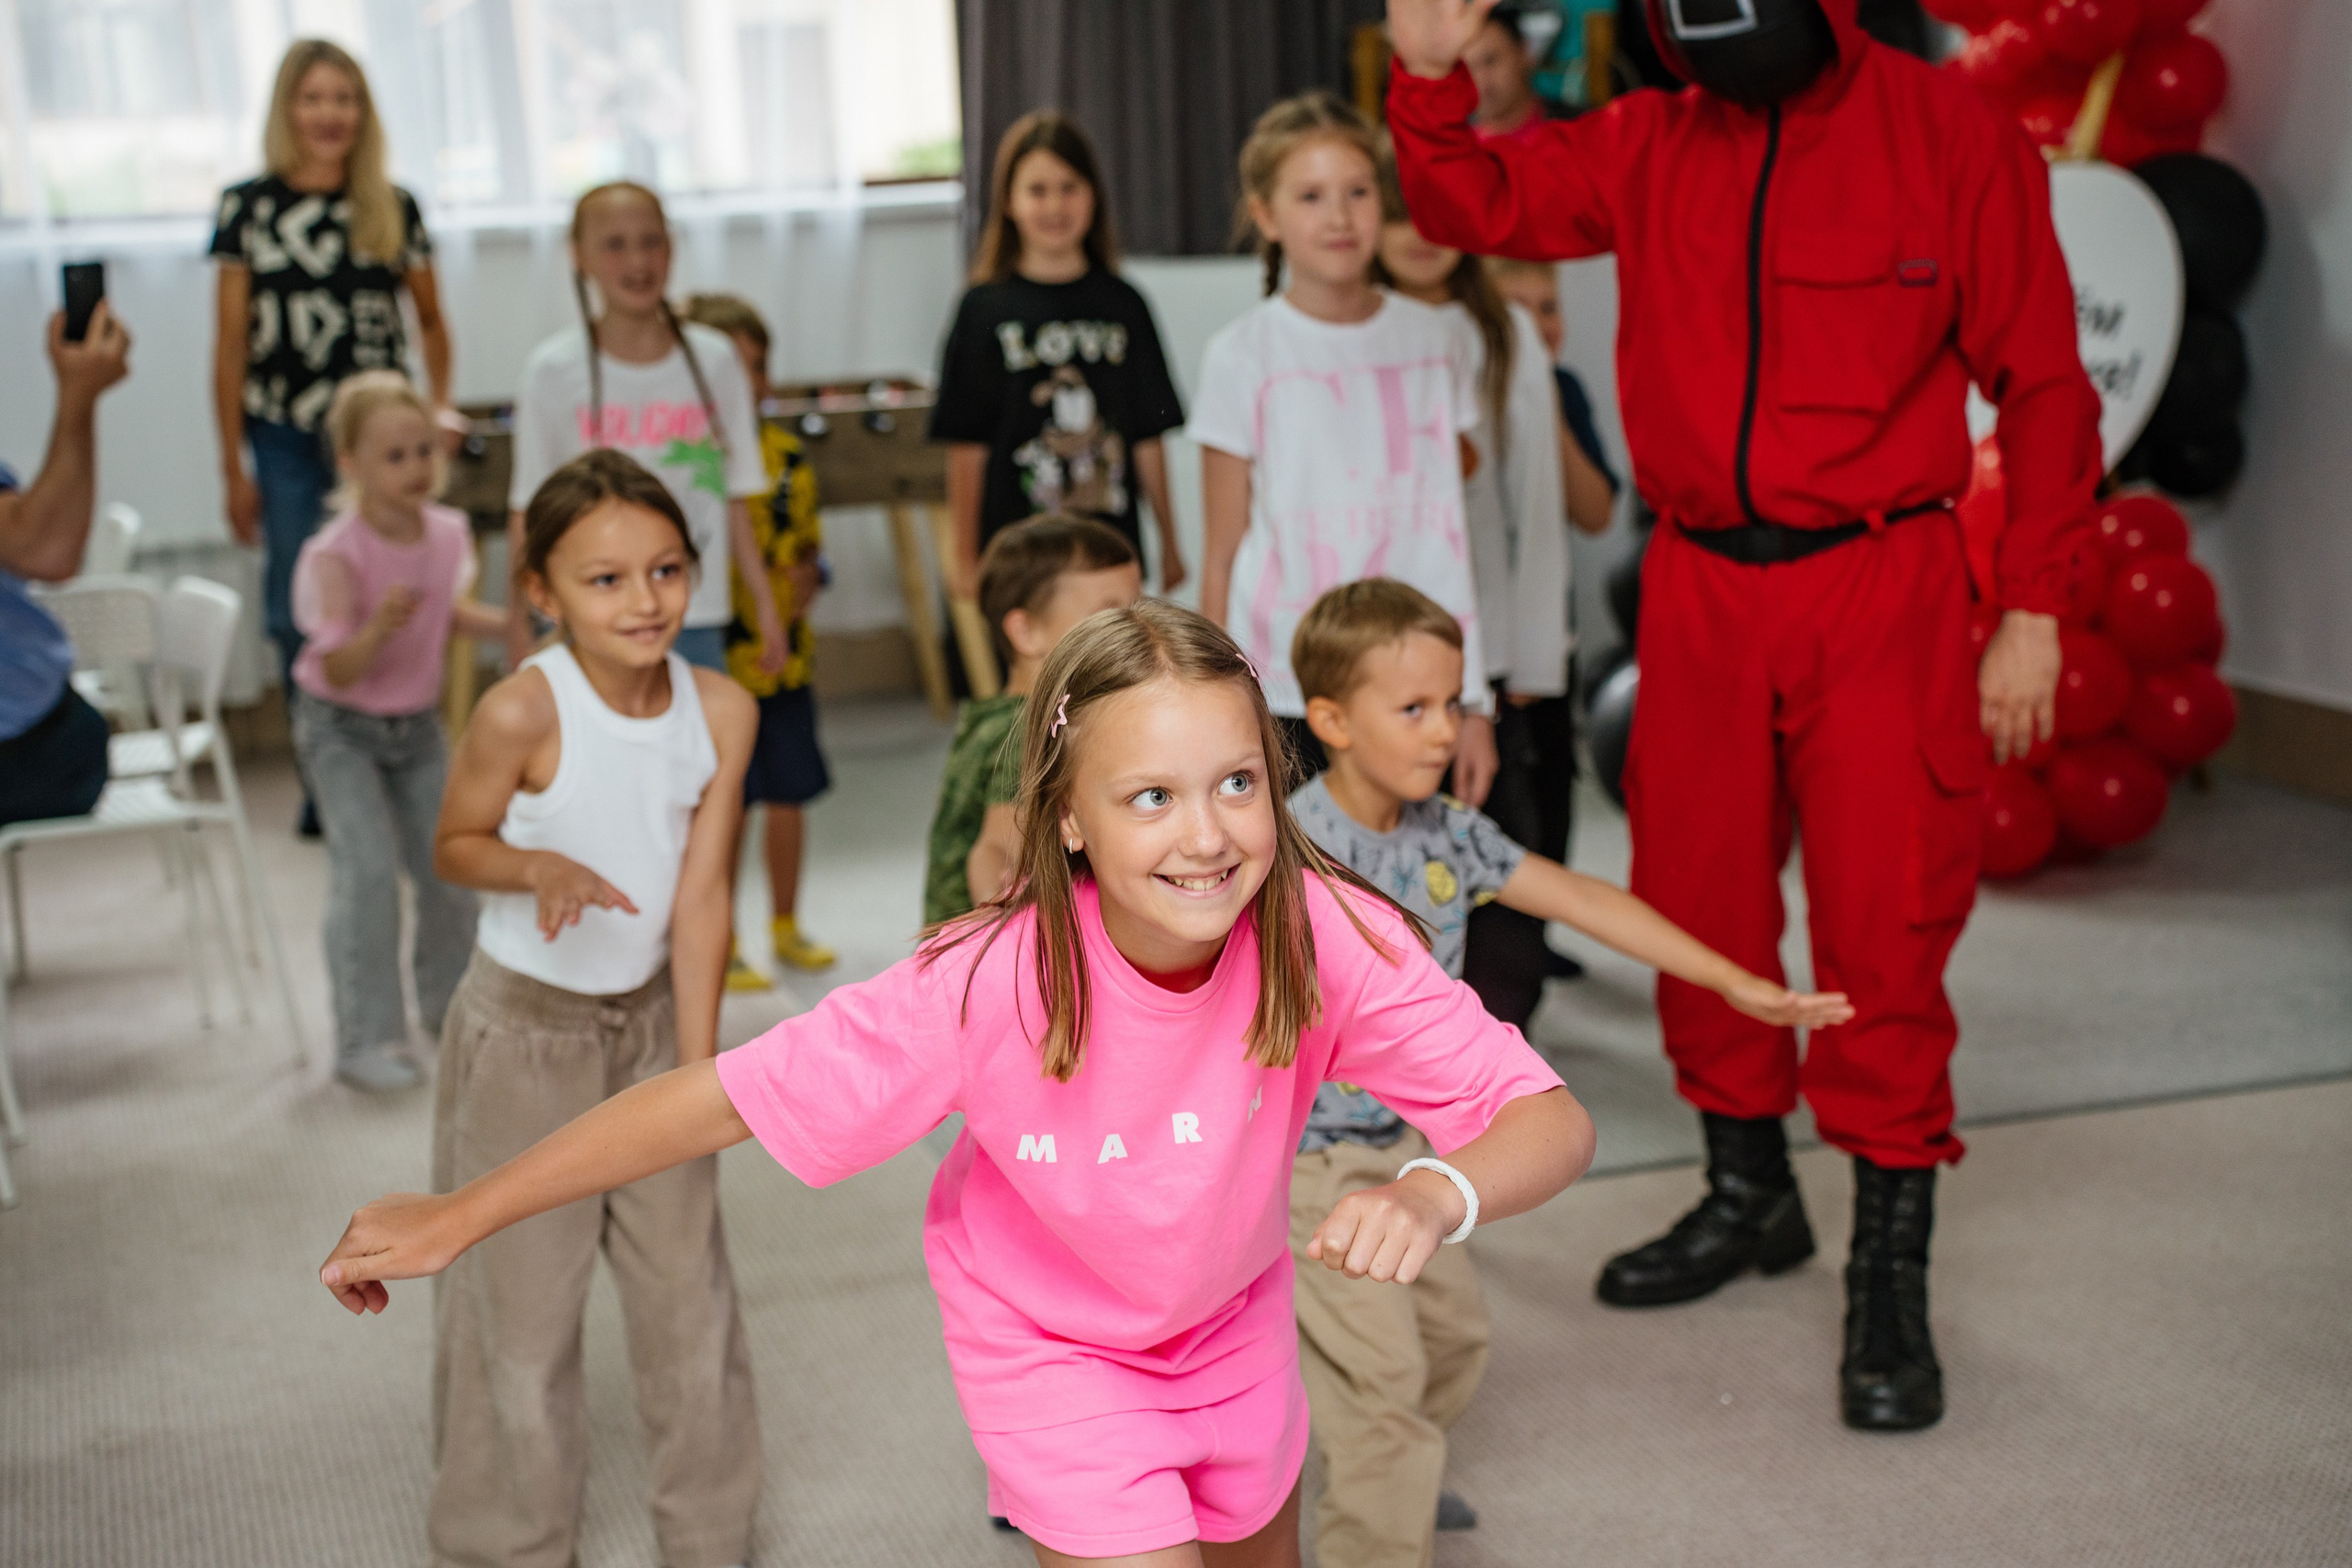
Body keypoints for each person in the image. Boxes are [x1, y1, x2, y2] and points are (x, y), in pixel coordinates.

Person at [322, 599, 1597, 1568]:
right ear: (1072, 817)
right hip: (1053, 1345)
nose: (1207, 834)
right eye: (1151, 796)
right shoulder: (986, 981)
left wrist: (1434, 1192)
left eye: (1237, 784)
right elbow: (714, 1097)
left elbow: (1550, 1119)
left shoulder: (1322, 929)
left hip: (1234, 1316)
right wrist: (463, 1210)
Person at [1385, 0, 2102, 1429]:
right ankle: (1748, 1186)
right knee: (1694, 893)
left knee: (1885, 909)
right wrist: (1425, 71)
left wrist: (2035, 604)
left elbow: (2041, 378)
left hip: (1882, 578)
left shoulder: (1951, 131)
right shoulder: (1651, 138)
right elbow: (1476, 199)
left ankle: (1887, 1267)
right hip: (1702, 583)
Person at [1283, 577, 1850, 1568]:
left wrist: (1733, 980)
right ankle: (1378, 1488)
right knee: (1381, 1386)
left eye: (1453, 701)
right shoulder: (1284, 849)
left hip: (1413, 1150)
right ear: (1331, 720)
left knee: (1454, 1343)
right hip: (1308, 1165)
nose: (1444, 730)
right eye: (1413, 708)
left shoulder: (1450, 830)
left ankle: (1386, 1457)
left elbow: (1583, 900)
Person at [420, 449, 763, 1568]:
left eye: (666, 570)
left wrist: (700, 1078)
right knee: (517, 1317)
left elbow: (703, 897)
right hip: (526, 1036)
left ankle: (709, 1537)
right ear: (542, 591)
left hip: (655, 1022)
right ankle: (507, 1542)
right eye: (605, 579)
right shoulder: (523, 709)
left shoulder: (723, 709)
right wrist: (537, 868)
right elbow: (454, 844)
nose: (645, 600)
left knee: (688, 1302)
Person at [1191, 92, 1498, 809]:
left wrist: (1474, 701)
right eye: (1311, 196)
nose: (1339, 216)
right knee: (1297, 876)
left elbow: (1451, 534)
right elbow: (1222, 553)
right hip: (1285, 685)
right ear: (1266, 216)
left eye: (1358, 192)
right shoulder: (1240, 355)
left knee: (1419, 874)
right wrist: (1210, 701)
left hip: (1416, 685)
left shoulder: (1437, 340)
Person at [210, 39, 455, 834]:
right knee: (300, 606)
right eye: (313, 98)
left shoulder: (393, 206)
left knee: (394, 589)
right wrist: (232, 466)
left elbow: (431, 322)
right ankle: (328, 769)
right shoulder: (247, 209)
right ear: (288, 109)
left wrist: (436, 411)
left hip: (379, 437)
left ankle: (398, 755)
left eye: (343, 99)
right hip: (283, 433)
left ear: (363, 112)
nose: (329, 114)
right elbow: (230, 346)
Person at [1371, 146, 1574, 1031]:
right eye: (1397, 214)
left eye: (1435, 214)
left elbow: (1536, 501)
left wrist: (1531, 657)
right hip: (1371, 655)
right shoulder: (1351, 330)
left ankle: (1494, 1051)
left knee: (1496, 880)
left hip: (1482, 656)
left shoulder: (1506, 332)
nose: (1418, 236)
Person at [288, 372, 504, 1092]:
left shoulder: (446, 534)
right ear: (350, 463)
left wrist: (512, 623)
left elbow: (446, 615)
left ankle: (452, 1009)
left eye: (423, 451)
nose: (416, 467)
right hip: (340, 730)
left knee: (450, 866)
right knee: (370, 874)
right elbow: (338, 668)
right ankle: (365, 1037)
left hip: (416, 726)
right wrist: (378, 625)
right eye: (395, 455)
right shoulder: (335, 553)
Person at [506, 182, 786, 687]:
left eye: (651, 241)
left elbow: (735, 495)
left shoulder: (717, 360)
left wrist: (764, 604)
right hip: (593, 619)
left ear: (671, 247)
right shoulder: (551, 372)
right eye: (614, 244)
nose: (637, 261)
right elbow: (528, 508)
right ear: (579, 256)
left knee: (702, 731)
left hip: (694, 612)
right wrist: (519, 621)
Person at [931, 112, 1189, 594]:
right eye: (1037, 190)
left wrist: (1170, 543)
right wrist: (963, 555)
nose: (1055, 205)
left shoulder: (1125, 304)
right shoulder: (982, 309)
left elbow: (1147, 436)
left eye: (1069, 187)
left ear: (1094, 196)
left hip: (1109, 552)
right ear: (1008, 200)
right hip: (1018, 554)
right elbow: (967, 443)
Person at [681, 292, 836, 982]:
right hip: (721, 664)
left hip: (786, 664)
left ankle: (786, 922)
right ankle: (725, 936)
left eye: (757, 366)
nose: (749, 381)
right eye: (733, 366)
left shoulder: (789, 455)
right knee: (727, 806)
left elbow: (811, 548)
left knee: (790, 795)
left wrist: (810, 576)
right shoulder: (690, 459)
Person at [923, 513, 1139, 928]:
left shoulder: (996, 714)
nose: (1133, 630)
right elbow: (995, 848)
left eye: (1137, 607)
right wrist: (1010, 927)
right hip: (985, 946)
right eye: (1109, 616)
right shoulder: (1033, 729)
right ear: (1025, 632)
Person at [0, 304, 131, 829]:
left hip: (39, 743)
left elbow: (46, 552)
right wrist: (79, 395)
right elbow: (47, 551)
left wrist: (79, 394)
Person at [1483, 257, 1620, 534]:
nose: (1535, 324)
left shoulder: (1564, 388)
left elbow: (1596, 518)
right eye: (1516, 310)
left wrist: (1546, 404)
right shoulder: (1460, 387)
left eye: (1548, 308)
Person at [1460, 4, 1551, 142]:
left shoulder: (1575, 133)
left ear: (1524, 51)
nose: (1479, 80)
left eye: (1490, 61)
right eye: (1466, 68)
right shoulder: (1450, 145)